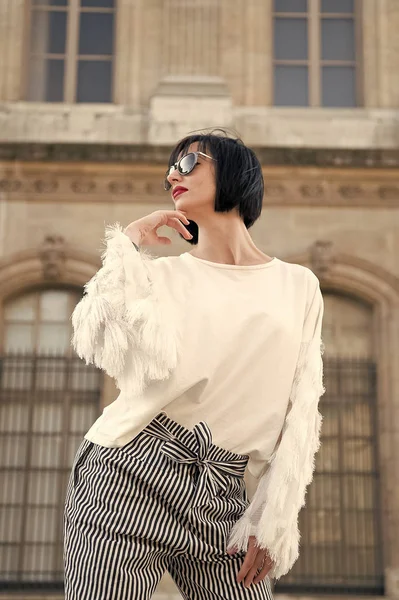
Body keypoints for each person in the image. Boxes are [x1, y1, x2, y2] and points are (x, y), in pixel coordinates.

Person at [63, 130, 325, 599]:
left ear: (234, 171)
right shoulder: (162, 276)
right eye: (169, 173)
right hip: (129, 473)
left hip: (225, 495)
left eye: (186, 164)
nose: (172, 176)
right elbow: (97, 337)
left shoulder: (298, 285)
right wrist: (127, 245)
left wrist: (272, 518)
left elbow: (301, 411)